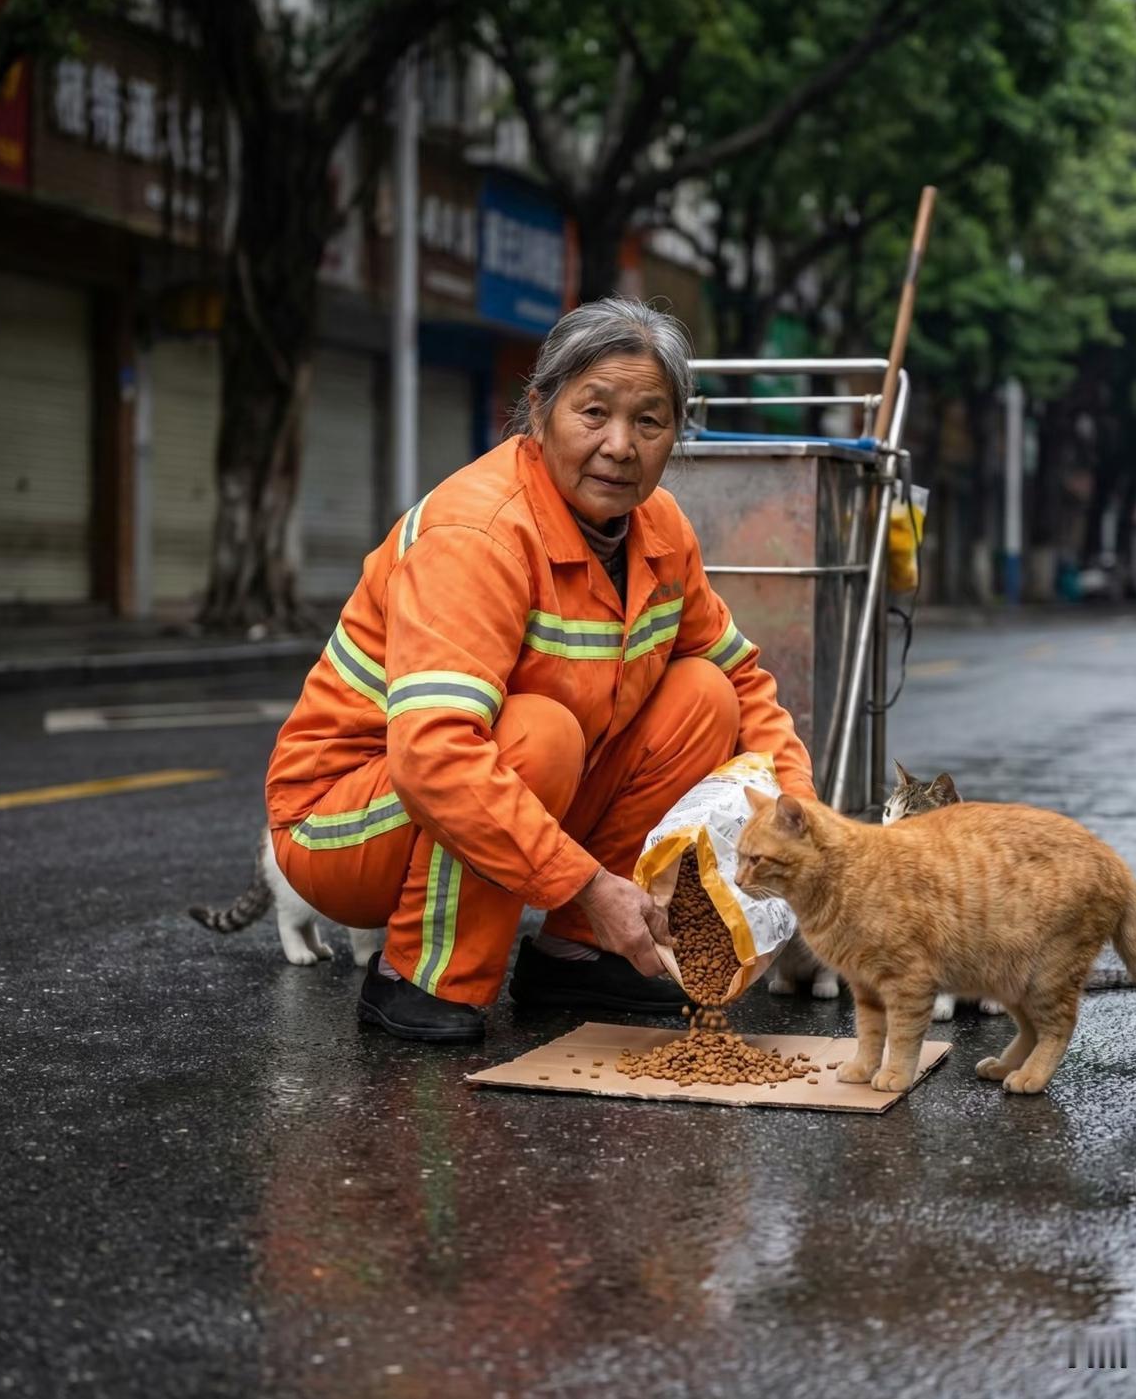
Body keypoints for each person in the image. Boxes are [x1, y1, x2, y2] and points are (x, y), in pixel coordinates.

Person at [265, 298, 816, 1042]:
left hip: (514, 787)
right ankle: (425, 976)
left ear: (675, 433)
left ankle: (577, 955)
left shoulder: (660, 531)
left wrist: (804, 829)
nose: (620, 445)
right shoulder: (479, 532)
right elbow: (434, 755)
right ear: (539, 410)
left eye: (649, 421)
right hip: (342, 827)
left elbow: (745, 684)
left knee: (704, 695)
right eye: (594, 413)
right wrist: (592, 885)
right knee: (537, 733)